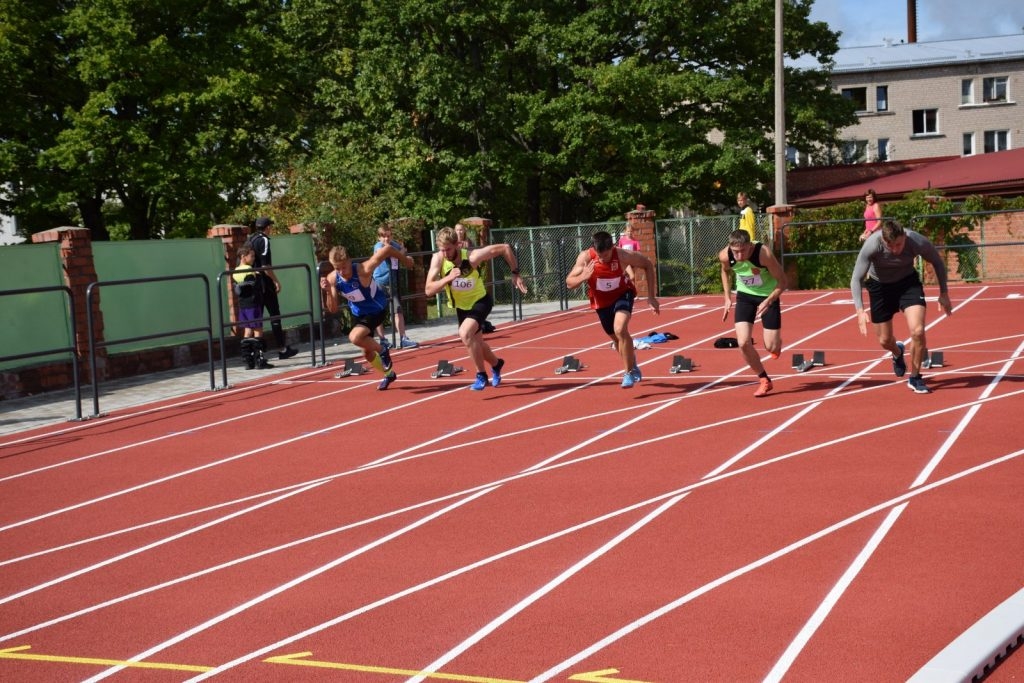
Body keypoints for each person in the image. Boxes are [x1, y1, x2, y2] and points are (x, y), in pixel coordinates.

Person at [850, 219, 952, 394]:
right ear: (883, 241)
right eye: (891, 246)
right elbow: (856, 279)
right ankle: (897, 352)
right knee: (884, 341)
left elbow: (937, 261)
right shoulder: (872, 244)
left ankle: (915, 377)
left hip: (907, 284)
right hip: (880, 287)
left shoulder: (915, 240)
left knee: (918, 331)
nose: (895, 250)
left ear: (904, 236)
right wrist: (859, 310)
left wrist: (943, 293)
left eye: (899, 244)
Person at [425, 226, 527, 391]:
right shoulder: (438, 259)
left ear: (457, 245)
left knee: (465, 333)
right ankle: (496, 363)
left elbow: (505, 248)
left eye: (448, 249)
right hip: (461, 307)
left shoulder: (473, 257)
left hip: (480, 301)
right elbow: (428, 290)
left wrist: (515, 273)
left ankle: (481, 375)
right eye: (442, 250)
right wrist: (448, 278)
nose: (445, 253)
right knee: (477, 342)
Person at [565, 231, 660, 389]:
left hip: (622, 294)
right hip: (601, 302)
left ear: (612, 248)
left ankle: (628, 372)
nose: (602, 259)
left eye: (606, 255)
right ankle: (632, 363)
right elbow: (569, 282)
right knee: (616, 340)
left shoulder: (623, 255)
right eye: (599, 255)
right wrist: (583, 277)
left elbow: (648, 265)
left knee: (620, 329)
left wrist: (651, 296)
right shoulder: (586, 257)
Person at [320, 244, 408, 390]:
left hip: (377, 310)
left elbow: (386, 250)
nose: (341, 272)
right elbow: (333, 309)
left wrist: (405, 260)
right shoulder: (333, 279)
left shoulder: (363, 270)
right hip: (359, 314)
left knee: (355, 337)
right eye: (337, 268)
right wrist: (329, 291)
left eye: (344, 267)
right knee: (366, 352)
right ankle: (389, 374)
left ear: (350, 261)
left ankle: (383, 350)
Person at [719, 229, 787, 397]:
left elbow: (783, 281)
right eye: (736, 252)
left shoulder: (763, 254)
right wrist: (727, 298)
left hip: (768, 295)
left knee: (771, 346)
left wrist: (769, 300)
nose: (740, 256)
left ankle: (776, 343)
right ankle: (764, 379)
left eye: (743, 251)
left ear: (750, 246)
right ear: (730, 247)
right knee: (743, 342)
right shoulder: (725, 255)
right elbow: (724, 271)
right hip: (745, 296)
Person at [248, 216, 299, 360]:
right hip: (264, 283)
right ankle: (282, 349)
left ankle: (253, 353)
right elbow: (266, 266)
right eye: (270, 226)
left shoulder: (250, 239)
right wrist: (276, 281)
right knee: (275, 315)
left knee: (256, 319)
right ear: (268, 228)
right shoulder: (263, 240)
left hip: (253, 284)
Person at [372, 224, 419, 350]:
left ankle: (403, 338)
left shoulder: (394, 244)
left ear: (391, 236)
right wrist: (399, 254)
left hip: (393, 282)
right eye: (383, 236)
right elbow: (382, 253)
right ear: (379, 237)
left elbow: (403, 250)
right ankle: (382, 340)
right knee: (378, 311)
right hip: (380, 282)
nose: (386, 239)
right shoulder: (378, 246)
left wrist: (401, 254)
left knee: (397, 310)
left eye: (388, 236)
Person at [232, 244, 272, 369]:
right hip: (253, 303)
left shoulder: (234, 272)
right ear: (243, 256)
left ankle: (248, 360)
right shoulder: (249, 270)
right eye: (252, 256)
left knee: (247, 330)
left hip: (243, 305)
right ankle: (259, 360)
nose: (254, 258)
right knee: (258, 329)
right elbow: (253, 286)